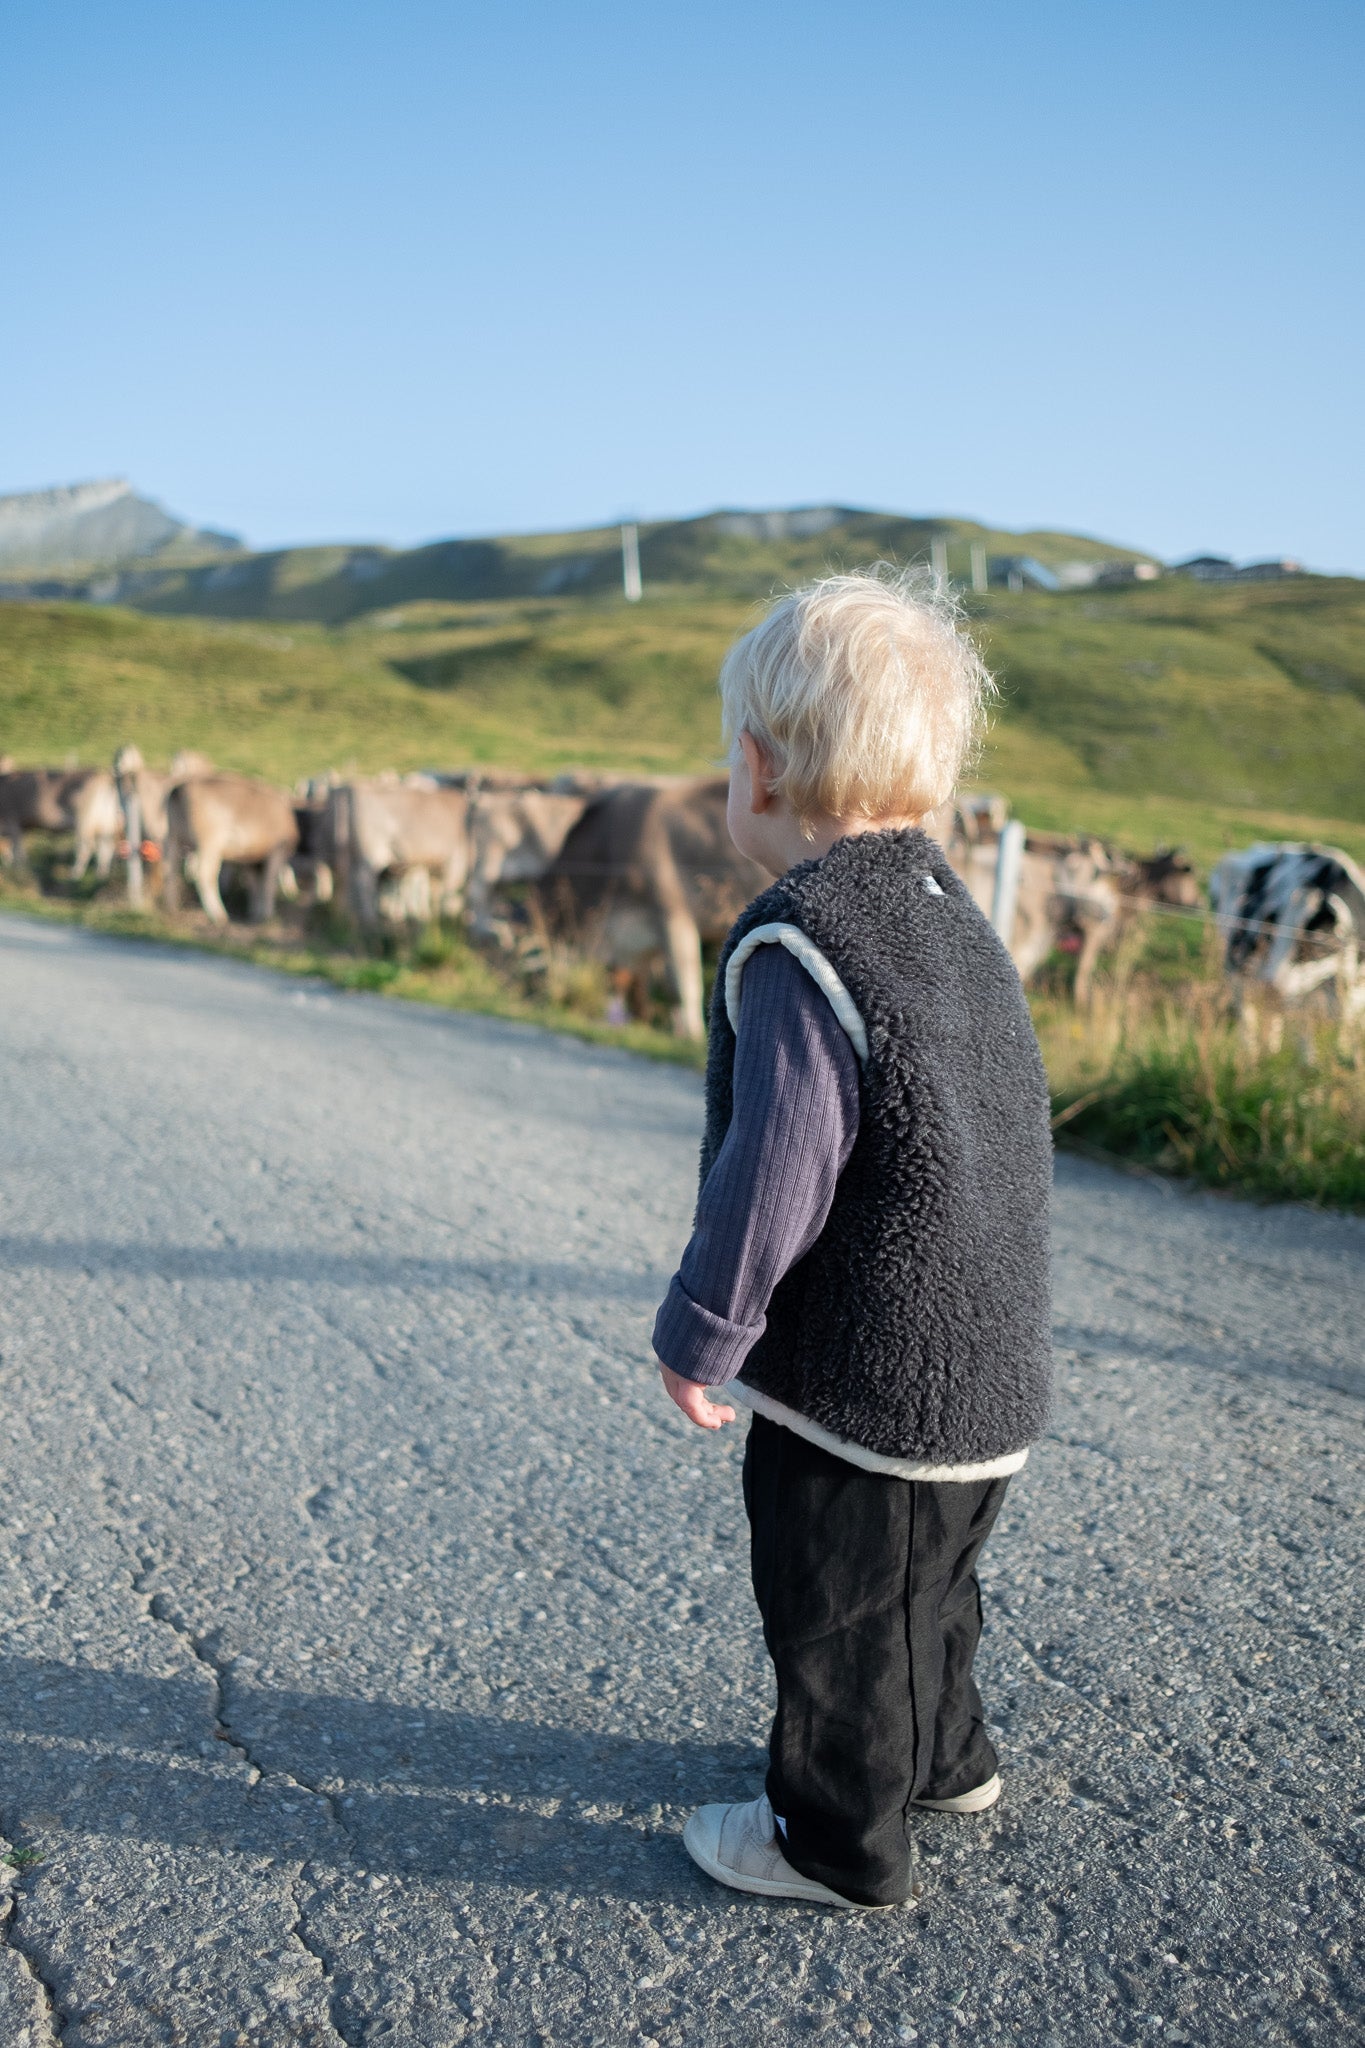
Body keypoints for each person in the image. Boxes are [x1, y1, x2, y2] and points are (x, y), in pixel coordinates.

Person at [651, 568, 1053, 1911]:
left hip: (870, 1381)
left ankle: (833, 1837)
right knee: (929, 1589)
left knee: (831, 1606)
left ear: (756, 770)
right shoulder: (952, 926)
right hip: (988, 1369)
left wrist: (706, 1332)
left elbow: (775, 1170)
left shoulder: (801, 942)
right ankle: (945, 1757)